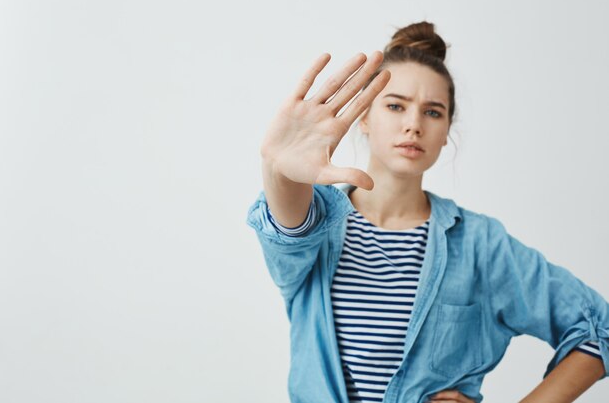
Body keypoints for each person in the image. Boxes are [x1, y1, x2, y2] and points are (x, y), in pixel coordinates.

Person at [245, 21, 608, 403]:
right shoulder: (319, 221)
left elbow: (597, 328)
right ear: (365, 116)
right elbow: (288, 227)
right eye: (395, 105)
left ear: (447, 129)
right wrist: (278, 170)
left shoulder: (480, 244)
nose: (413, 124)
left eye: (433, 112)